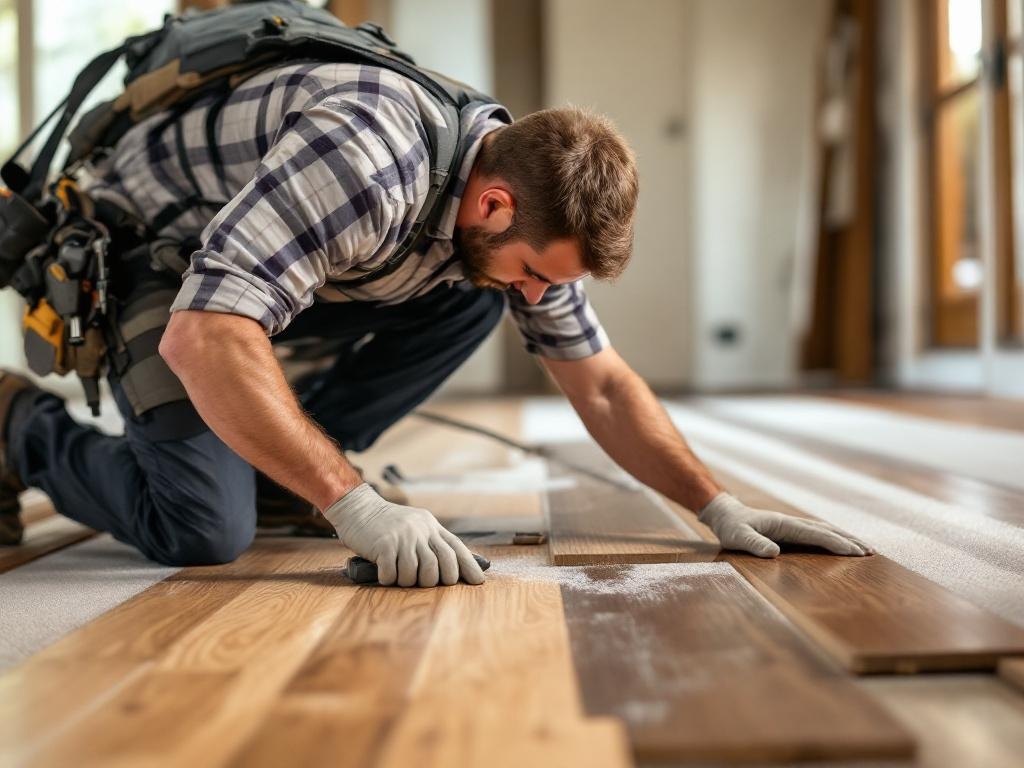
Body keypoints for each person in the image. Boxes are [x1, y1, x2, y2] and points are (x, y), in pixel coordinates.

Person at [0, 60, 872, 586]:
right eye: (537, 271)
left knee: (473, 294)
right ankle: (13, 424)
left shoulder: (514, 195)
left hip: (278, 273)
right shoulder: (367, 164)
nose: (539, 296)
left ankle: (277, 471)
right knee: (200, 530)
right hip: (149, 259)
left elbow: (600, 382)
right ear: (493, 201)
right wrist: (355, 506)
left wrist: (715, 506)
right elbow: (206, 334)